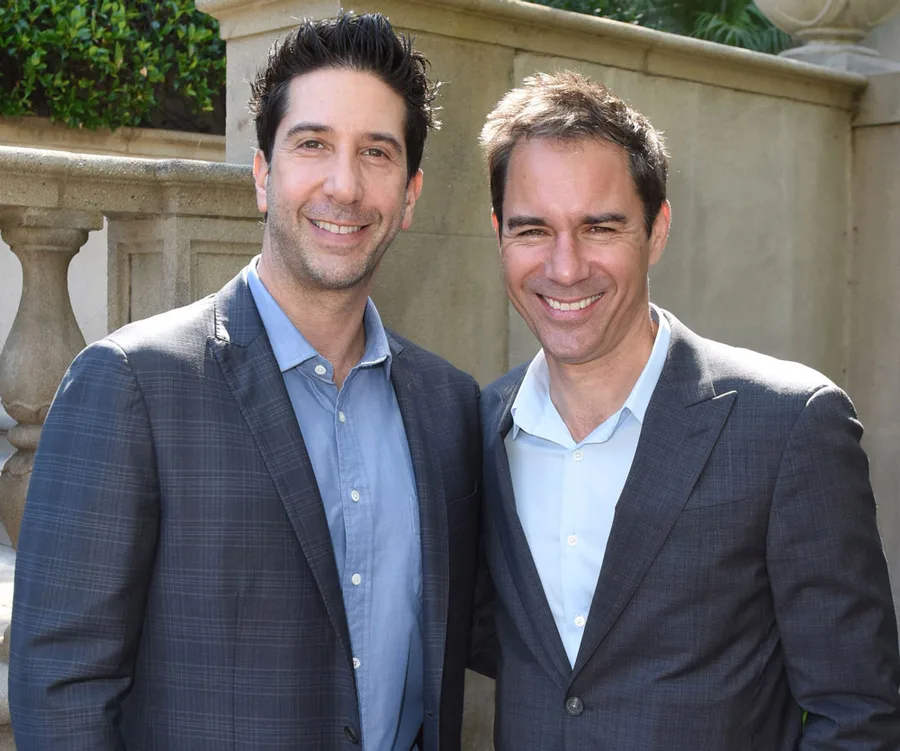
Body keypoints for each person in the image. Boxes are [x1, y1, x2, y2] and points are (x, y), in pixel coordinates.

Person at [9, 13, 481, 751]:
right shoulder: (133, 386)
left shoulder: (448, 406)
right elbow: (62, 689)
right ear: (264, 175)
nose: (345, 184)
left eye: (377, 153)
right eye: (313, 144)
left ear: (411, 195)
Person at [472, 70, 900, 750]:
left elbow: (858, 713)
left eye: (599, 226)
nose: (565, 265)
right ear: (499, 233)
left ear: (657, 229)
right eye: (532, 230)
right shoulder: (479, 429)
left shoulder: (789, 426)